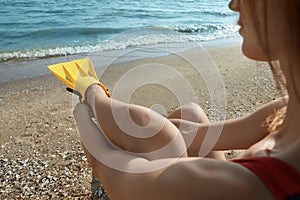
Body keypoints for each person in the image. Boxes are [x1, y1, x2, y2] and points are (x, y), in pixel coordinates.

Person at [73, 0, 300, 199]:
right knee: (189, 114)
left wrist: (87, 102)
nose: (234, 4)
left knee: (160, 136)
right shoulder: (288, 108)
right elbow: (197, 134)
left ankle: (93, 96)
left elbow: (106, 164)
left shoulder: (241, 187)